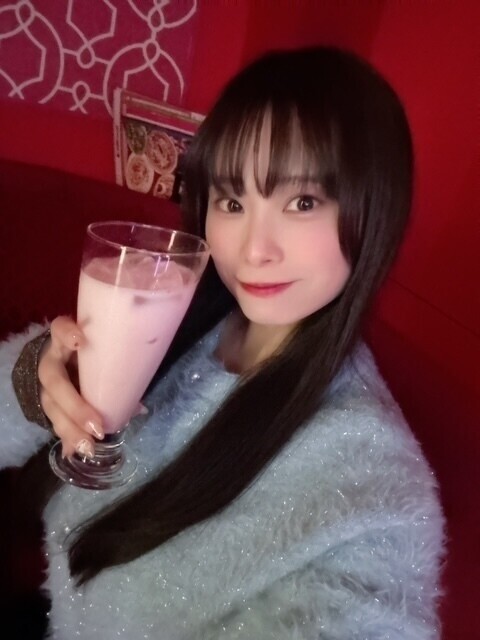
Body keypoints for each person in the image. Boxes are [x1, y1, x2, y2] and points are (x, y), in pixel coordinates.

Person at [1, 47, 445, 639]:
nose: (254, 249)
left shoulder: (376, 488)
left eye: (303, 202)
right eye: (232, 202)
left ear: (374, 213)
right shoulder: (176, 311)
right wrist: (41, 382)